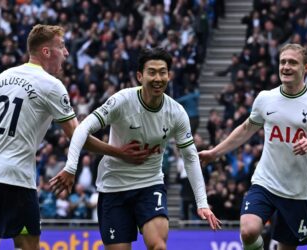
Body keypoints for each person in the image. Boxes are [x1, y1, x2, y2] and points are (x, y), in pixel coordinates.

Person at [0, 24, 149, 250]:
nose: (66, 52)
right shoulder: (51, 86)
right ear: (46, 52)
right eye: (62, 46)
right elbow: (79, 137)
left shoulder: (4, 76)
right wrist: (118, 152)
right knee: (29, 245)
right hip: (15, 178)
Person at [57, 47, 221, 250]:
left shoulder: (177, 113)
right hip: (113, 187)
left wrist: (202, 203)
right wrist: (71, 167)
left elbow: (190, 157)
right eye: (151, 72)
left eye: (162, 72)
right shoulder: (122, 101)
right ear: (139, 76)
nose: (157, 78)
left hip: (150, 184)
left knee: (158, 246)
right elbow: (83, 129)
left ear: (169, 76)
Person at [199, 43, 307, 250]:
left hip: (297, 191)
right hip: (265, 182)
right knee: (248, 231)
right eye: (283, 62)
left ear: (306, 68)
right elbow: (246, 129)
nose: (286, 67)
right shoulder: (265, 98)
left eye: (293, 63)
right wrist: (215, 153)